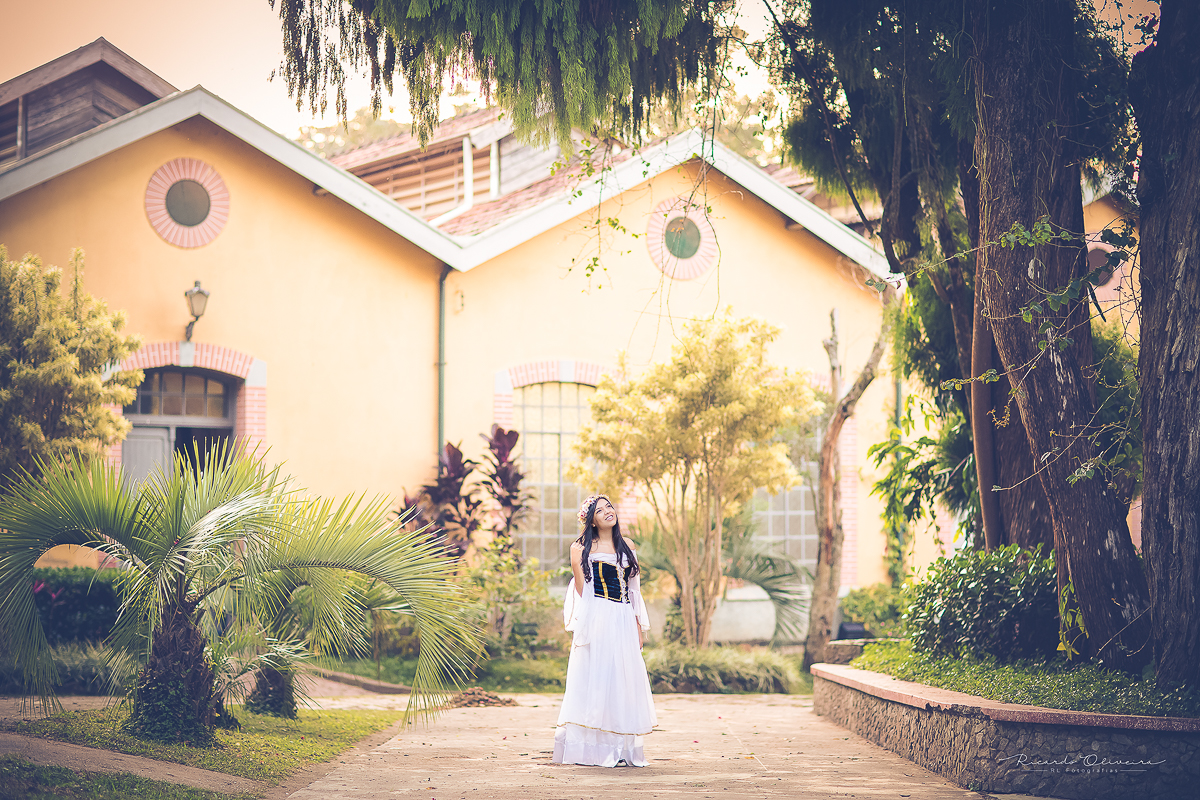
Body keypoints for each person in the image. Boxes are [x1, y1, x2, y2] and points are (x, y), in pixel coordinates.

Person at [553, 493, 657, 767]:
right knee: (597, 676)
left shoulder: (628, 546)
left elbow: (634, 590)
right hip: (598, 615)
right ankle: (594, 750)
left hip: (623, 617)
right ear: (591, 521)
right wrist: (587, 625)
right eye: (599, 511)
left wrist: (638, 628)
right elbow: (581, 590)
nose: (608, 512)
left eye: (609, 506)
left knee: (622, 679)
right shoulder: (580, 548)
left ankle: (620, 748)